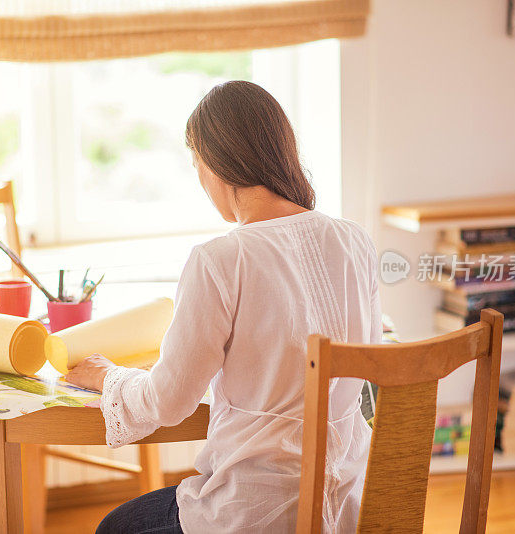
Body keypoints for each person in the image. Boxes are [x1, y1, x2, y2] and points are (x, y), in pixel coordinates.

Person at [66, 80, 381, 534]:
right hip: (351, 499)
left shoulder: (220, 260)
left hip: (256, 509)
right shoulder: (355, 240)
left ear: (216, 164)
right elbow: (366, 360)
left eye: (197, 164)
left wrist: (108, 376)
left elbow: (169, 400)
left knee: (113, 528)